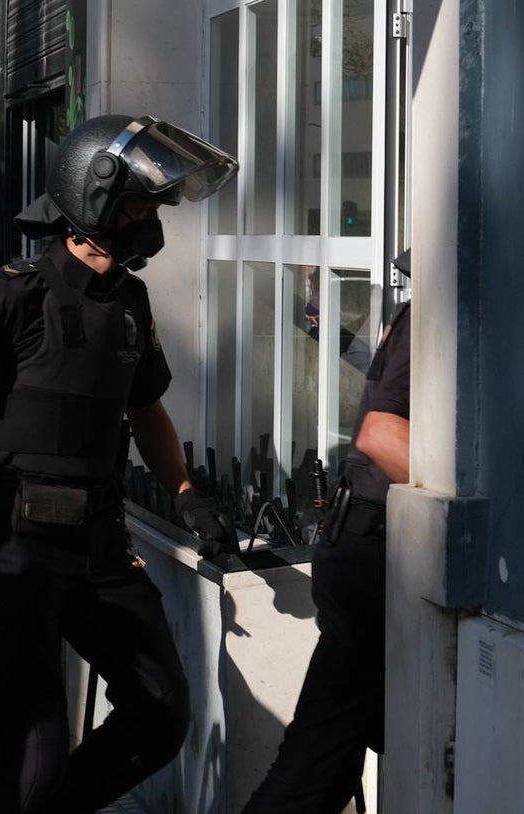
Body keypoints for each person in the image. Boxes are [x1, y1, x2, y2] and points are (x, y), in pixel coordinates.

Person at [0, 113, 239, 814]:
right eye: (141, 202)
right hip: (15, 546)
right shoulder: (13, 291)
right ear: (94, 195)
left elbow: (146, 411)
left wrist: (185, 493)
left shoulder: (131, 301)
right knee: (33, 740)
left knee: (161, 711)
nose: (152, 218)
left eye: (156, 204)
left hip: (101, 546)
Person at [243, 252, 411, 814]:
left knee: (329, 760)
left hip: (373, 548)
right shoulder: (433, 323)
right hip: (375, 553)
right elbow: (381, 436)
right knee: (315, 768)